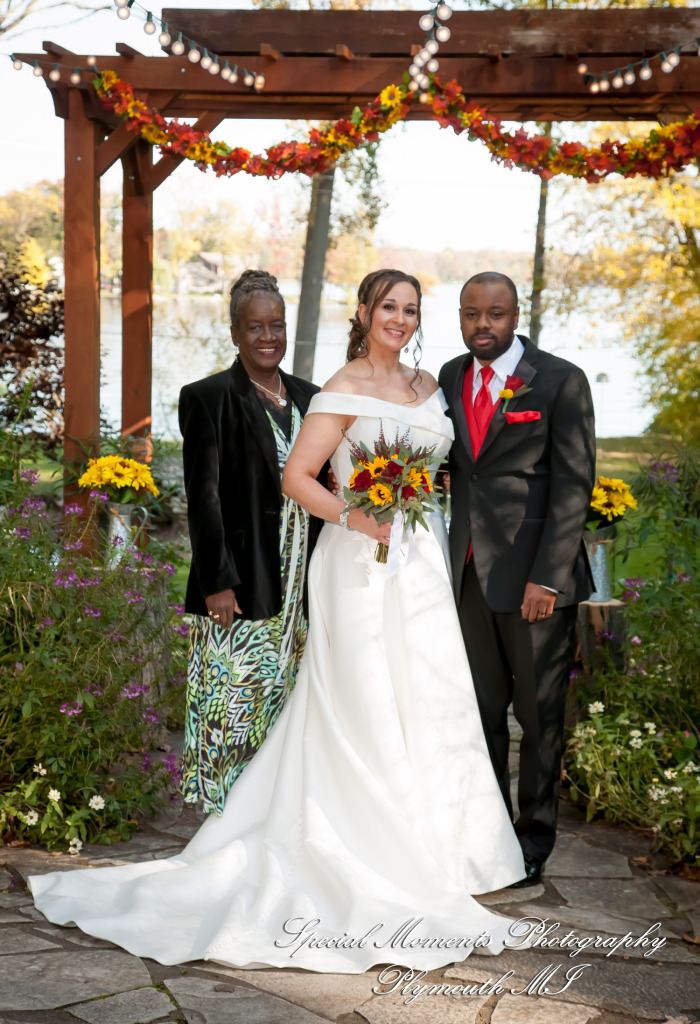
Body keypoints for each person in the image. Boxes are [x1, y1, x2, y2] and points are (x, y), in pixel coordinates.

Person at [28, 268, 531, 973]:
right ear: (364, 312)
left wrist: (421, 497)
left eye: (412, 309)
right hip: (358, 562)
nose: (400, 318)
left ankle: (449, 848)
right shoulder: (340, 386)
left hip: (419, 561)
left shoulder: (430, 385)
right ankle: (369, 848)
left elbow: (444, 467)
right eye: (388, 306)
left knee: (431, 695)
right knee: (364, 701)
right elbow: (297, 478)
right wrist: (357, 516)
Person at [438, 271, 596, 888]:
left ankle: (532, 844)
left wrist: (548, 579)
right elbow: (461, 468)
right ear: (460, 315)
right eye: (471, 313)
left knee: (537, 719)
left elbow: (574, 486)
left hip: (534, 583)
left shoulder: (560, 380)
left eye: (495, 314)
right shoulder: (450, 376)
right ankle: (488, 837)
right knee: (478, 714)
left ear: (515, 315)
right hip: (467, 576)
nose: (483, 325)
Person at [177, 269, 323, 815]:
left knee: (286, 701)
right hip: (243, 579)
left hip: (302, 580)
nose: (268, 336)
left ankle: (271, 816)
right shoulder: (208, 397)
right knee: (233, 699)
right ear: (235, 331)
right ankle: (224, 817)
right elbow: (204, 498)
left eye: (276, 325)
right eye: (255, 326)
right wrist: (217, 582)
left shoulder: (312, 398)